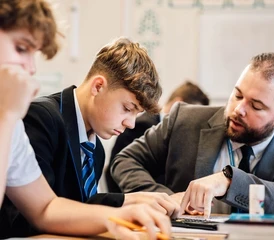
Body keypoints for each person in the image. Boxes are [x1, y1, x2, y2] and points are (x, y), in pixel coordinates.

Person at [0, 1, 171, 239]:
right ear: (98, 86)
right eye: (21, 48)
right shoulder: (36, 117)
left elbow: (45, 208)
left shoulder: (13, 124)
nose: (30, 68)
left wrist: (117, 216)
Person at [109, 52, 274, 218]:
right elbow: (125, 160)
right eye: (237, 95)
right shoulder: (184, 119)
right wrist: (164, 199)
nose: (238, 109)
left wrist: (229, 182)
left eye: (256, 106)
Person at [107, 81, 209, 192]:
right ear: (178, 104)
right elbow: (122, 170)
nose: (193, 124)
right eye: (192, 116)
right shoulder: (141, 126)